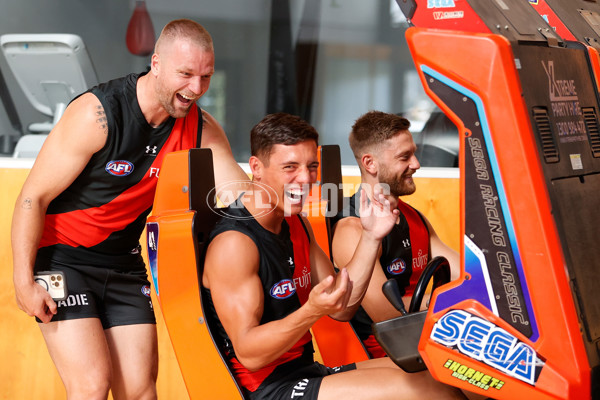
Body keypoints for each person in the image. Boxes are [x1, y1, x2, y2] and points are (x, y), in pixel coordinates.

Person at [11, 19, 248, 399]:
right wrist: (23, 282)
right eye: (185, 74)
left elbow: (241, 193)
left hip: (123, 263)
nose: (196, 89)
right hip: (63, 259)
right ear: (155, 63)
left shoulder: (199, 125)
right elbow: (31, 199)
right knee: (91, 386)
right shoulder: (98, 114)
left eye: (205, 77)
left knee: (140, 392)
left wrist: (283, 198)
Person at [202, 112, 466, 400]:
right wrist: (311, 310)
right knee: (425, 390)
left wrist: (370, 237)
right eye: (290, 167)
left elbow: (342, 307)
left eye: (311, 166)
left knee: (447, 373)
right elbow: (250, 355)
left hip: (308, 372)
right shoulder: (235, 244)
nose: (305, 179)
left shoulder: (295, 223)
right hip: (270, 390)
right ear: (257, 167)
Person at [331, 110, 460, 359]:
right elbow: (389, 316)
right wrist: (454, 301)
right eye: (405, 157)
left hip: (426, 339)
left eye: (414, 153)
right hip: (389, 354)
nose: (416, 164)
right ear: (370, 163)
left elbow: (466, 274)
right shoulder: (351, 228)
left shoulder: (414, 218)